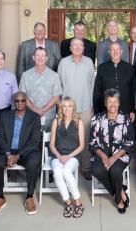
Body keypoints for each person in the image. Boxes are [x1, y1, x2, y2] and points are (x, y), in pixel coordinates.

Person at [0, 92, 41, 216]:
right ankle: (0, 197)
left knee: (33, 163)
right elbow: (0, 138)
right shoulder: (5, 116)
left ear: (26, 101)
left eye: (23, 100)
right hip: (8, 151)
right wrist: (8, 154)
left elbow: (34, 141)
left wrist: (19, 155)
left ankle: (29, 197)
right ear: (13, 101)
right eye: (17, 101)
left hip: (26, 152)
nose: (20, 103)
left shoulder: (34, 117)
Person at [89, 88, 134, 214]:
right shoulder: (97, 118)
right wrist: (104, 156)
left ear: (119, 103)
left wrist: (114, 157)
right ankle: (119, 190)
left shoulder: (125, 119)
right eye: (109, 102)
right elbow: (92, 142)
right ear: (105, 103)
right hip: (100, 153)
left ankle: (119, 201)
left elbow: (129, 142)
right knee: (97, 169)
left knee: (115, 170)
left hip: (121, 155)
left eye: (115, 102)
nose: (112, 105)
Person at [58, 37, 95, 181]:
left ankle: (86, 167)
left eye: (80, 45)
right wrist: (60, 106)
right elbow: (60, 84)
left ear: (83, 48)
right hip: (67, 108)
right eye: (75, 45)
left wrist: (92, 104)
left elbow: (92, 84)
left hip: (85, 105)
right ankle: (67, 165)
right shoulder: (63, 63)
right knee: (67, 137)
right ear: (70, 48)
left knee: (85, 138)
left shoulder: (89, 63)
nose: (78, 47)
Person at [49, 97, 85, 218]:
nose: (67, 109)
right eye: (64, 106)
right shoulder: (56, 122)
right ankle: (68, 203)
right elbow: (52, 144)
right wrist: (59, 156)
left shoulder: (79, 122)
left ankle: (78, 203)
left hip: (73, 155)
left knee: (66, 171)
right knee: (57, 172)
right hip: (57, 155)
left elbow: (82, 146)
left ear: (73, 108)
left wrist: (69, 156)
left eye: (70, 106)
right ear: (61, 108)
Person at [19, 47, 62, 132]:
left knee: (48, 142)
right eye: (37, 55)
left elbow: (56, 97)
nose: (40, 58)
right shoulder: (25, 75)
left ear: (46, 58)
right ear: (33, 57)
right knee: (30, 142)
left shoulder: (54, 76)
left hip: (48, 116)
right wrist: (35, 110)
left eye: (43, 56)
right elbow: (23, 97)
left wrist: (43, 110)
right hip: (30, 115)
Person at [94, 42, 135, 121]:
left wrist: (132, 110)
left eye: (117, 50)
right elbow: (97, 91)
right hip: (106, 110)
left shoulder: (129, 68)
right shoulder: (102, 68)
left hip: (124, 108)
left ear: (121, 51)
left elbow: (132, 90)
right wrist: (97, 111)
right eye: (113, 50)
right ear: (109, 52)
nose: (115, 52)